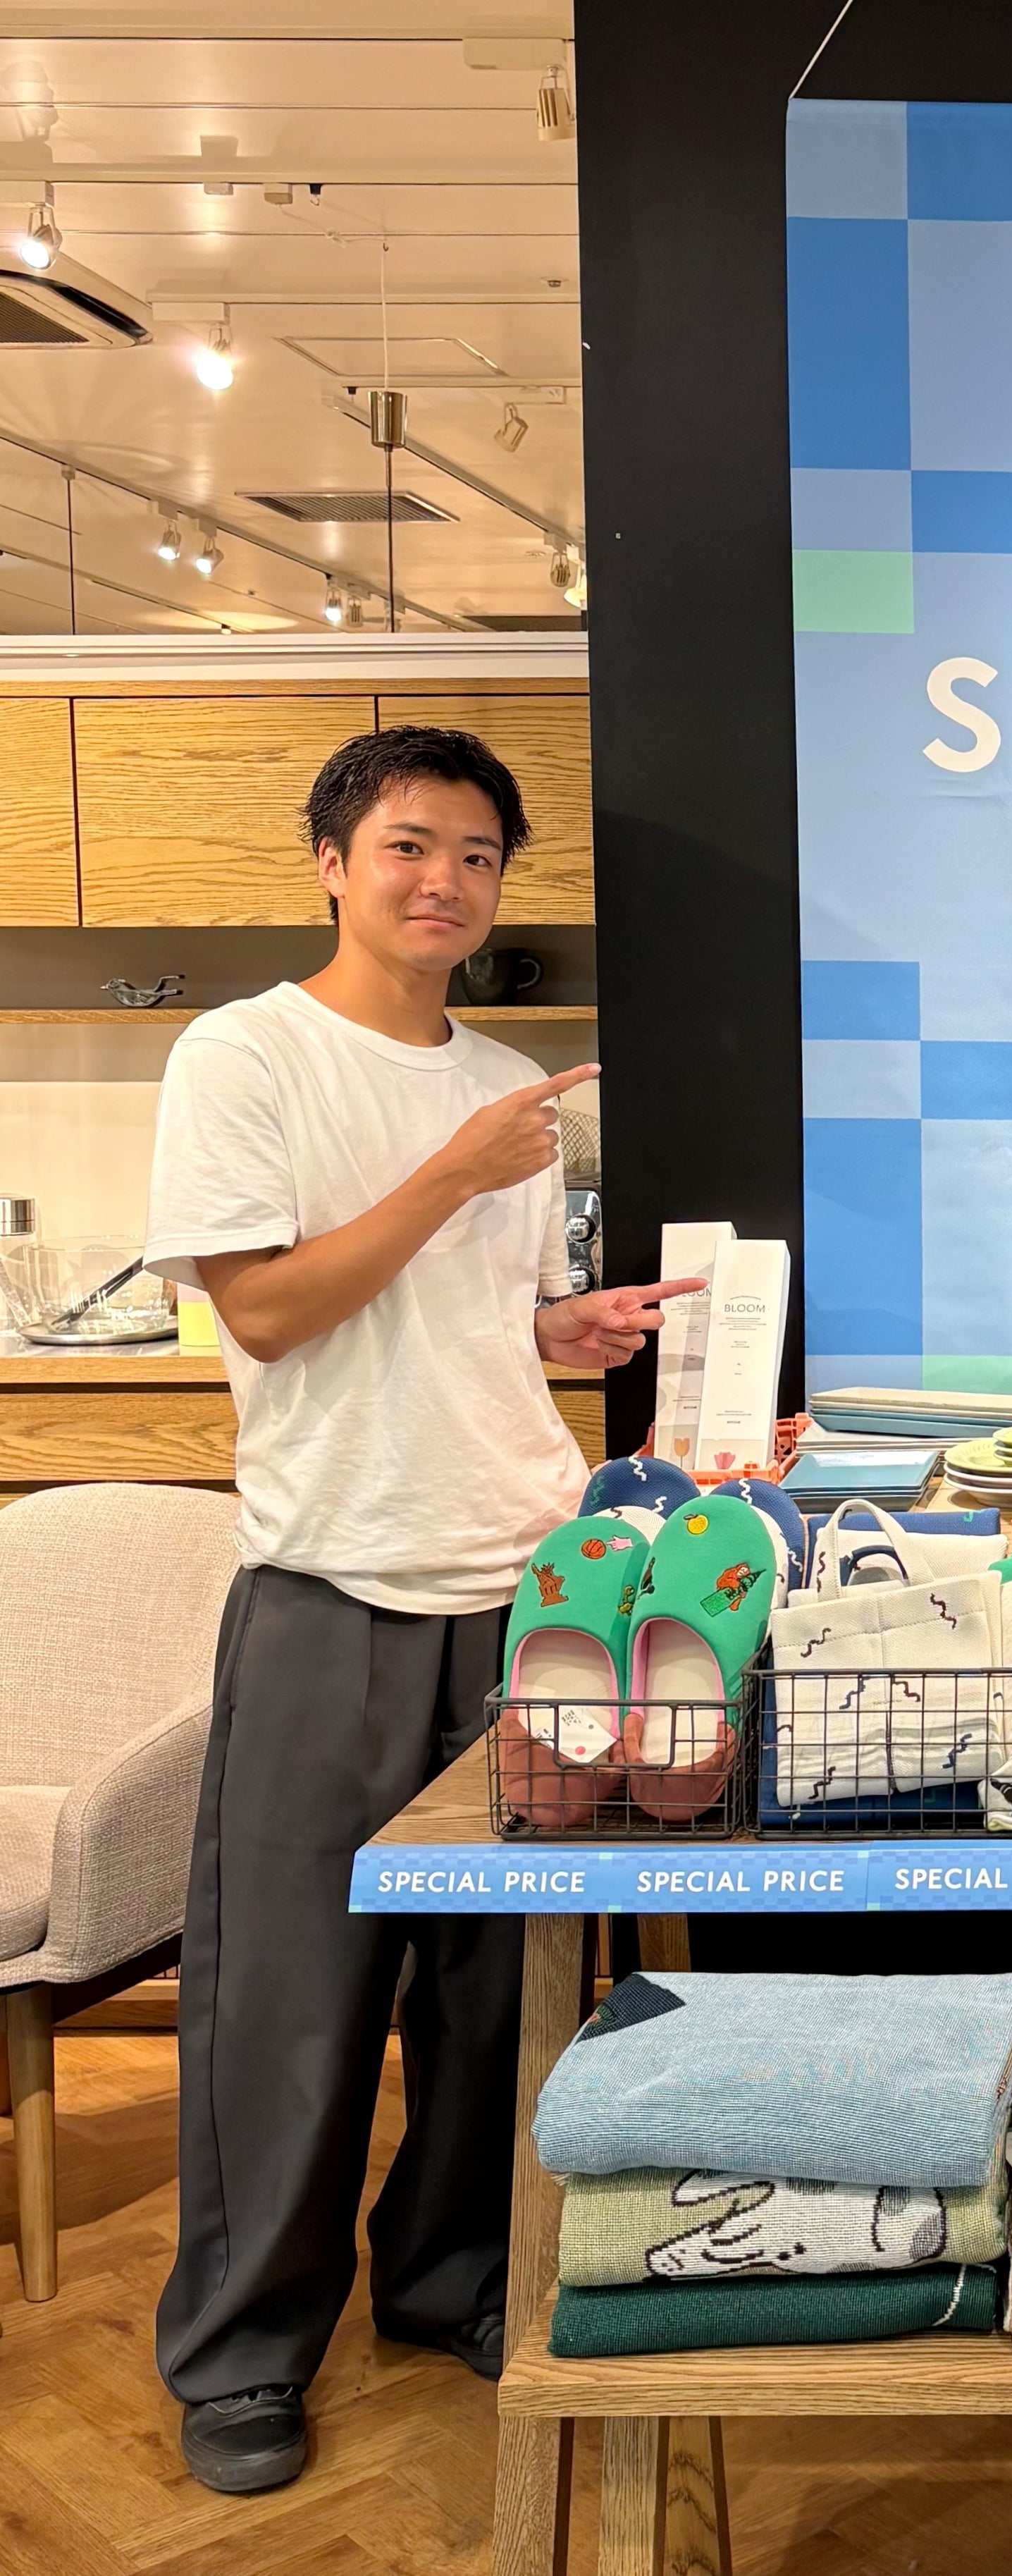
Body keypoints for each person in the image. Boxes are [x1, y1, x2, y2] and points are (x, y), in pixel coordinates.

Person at [142, 727, 698, 2494]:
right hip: (335, 1583)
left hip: (525, 1582)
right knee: (291, 1998)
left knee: (494, 1994)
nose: (443, 880)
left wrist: (560, 1332)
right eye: (406, 845)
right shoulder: (247, 1057)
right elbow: (269, 1310)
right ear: (331, 861)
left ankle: (449, 2279)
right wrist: (450, 1174)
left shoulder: (512, 1086)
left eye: (475, 854)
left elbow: (459, 1317)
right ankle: (243, 2354)